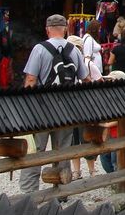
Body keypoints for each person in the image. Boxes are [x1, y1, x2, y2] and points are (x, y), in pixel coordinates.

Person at [20, 14, 89, 193]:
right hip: (67, 109)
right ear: (65, 29)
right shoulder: (74, 50)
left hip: (42, 109)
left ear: (47, 29)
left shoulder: (39, 49)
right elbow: (85, 78)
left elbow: (31, 79)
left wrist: (26, 106)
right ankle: (60, 191)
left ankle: (30, 192)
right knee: (62, 151)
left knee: (36, 150)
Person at [66, 35, 99, 179]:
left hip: (86, 106)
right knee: (73, 139)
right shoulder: (65, 64)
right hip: (71, 106)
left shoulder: (88, 64)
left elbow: (99, 81)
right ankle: (76, 171)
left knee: (86, 137)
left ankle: (92, 170)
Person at [97, 70, 125, 173]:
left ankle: (118, 179)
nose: (108, 82)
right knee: (104, 158)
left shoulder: (124, 98)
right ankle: (112, 178)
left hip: (118, 133)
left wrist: (107, 125)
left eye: (111, 80)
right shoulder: (108, 95)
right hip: (107, 132)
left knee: (115, 160)